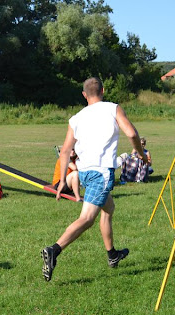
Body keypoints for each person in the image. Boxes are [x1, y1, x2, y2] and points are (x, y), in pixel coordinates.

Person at [41, 77, 147, 281]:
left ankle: (112, 255)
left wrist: (63, 180)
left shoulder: (77, 117)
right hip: (101, 173)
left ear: (84, 95)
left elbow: (64, 152)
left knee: (109, 208)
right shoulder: (113, 108)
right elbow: (132, 133)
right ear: (103, 90)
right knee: (87, 218)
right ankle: (54, 250)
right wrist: (140, 153)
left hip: (84, 173)